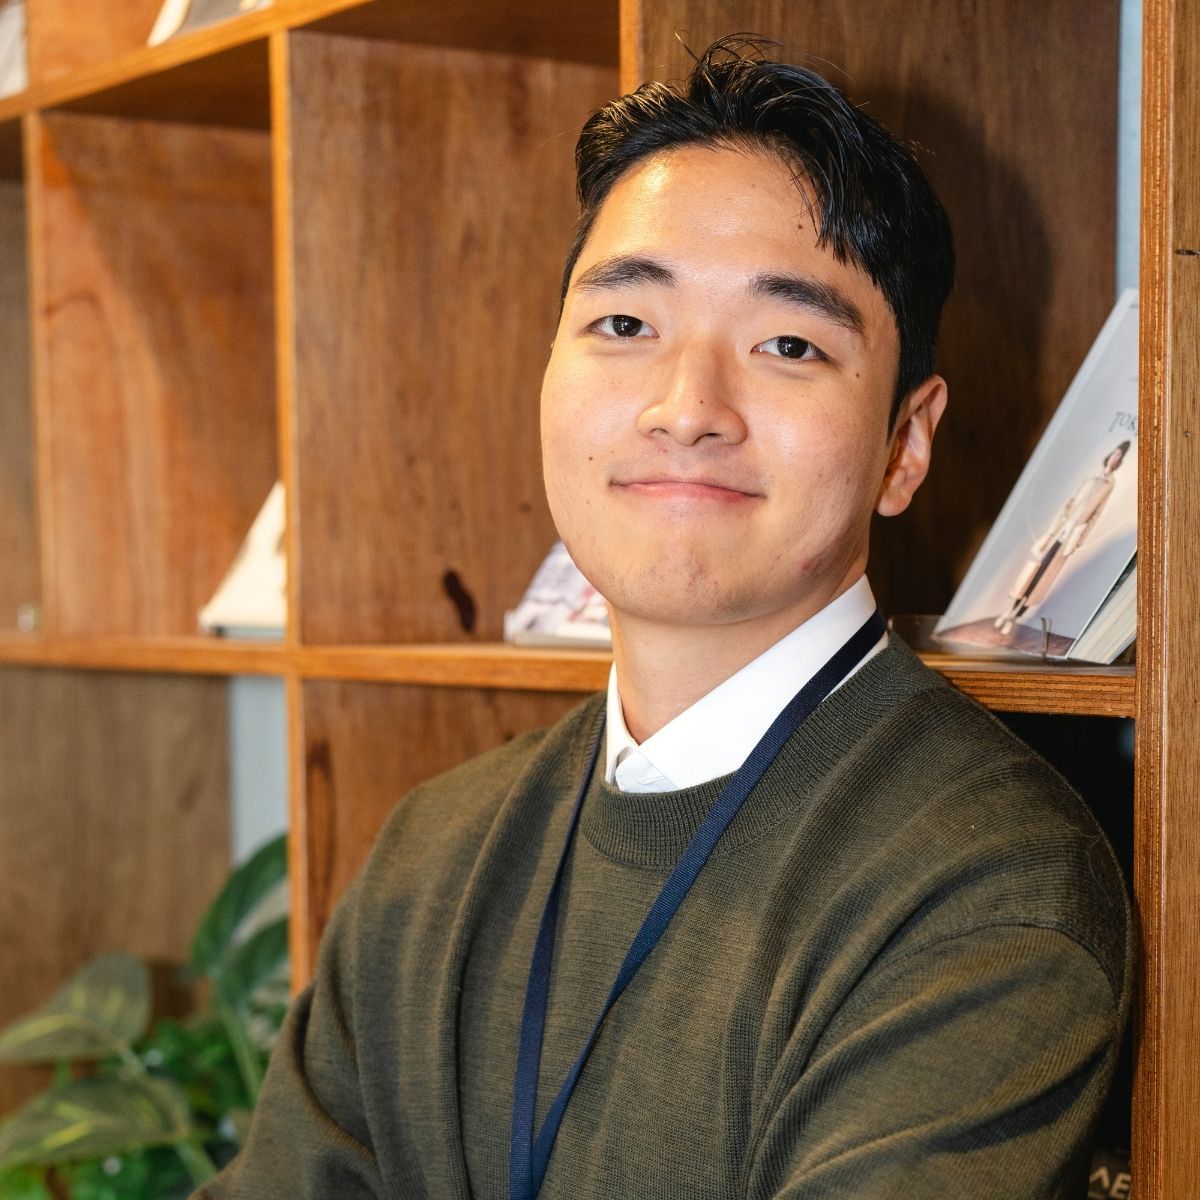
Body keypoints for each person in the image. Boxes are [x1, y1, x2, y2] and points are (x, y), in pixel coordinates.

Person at [195, 38, 1130, 1200]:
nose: (687, 408)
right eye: (626, 326)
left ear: (906, 442)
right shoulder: (434, 854)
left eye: (789, 344)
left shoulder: (986, 888)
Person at [994, 441, 1132, 637]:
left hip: (1071, 538)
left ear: (1120, 461)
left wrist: (1078, 541)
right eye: (1114, 454)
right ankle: (1008, 612)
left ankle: (1015, 618)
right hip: (1060, 531)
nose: (1114, 458)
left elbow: (1095, 516)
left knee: (1043, 581)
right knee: (1033, 573)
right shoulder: (1091, 476)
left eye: (1119, 457)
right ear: (1110, 455)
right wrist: (1052, 532)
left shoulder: (1110, 484)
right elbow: (1070, 503)